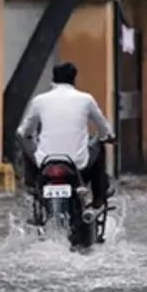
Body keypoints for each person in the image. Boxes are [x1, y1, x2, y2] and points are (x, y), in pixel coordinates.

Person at [16, 61, 115, 209]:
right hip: (77, 163)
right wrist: (107, 136)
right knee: (99, 144)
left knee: (25, 142)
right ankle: (99, 196)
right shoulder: (86, 99)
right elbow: (104, 130)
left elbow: (23, 132)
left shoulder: (39, 100)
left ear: (53, 79)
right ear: (74, 79)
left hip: (44, 162)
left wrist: (31, 137)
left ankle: (31, 182)